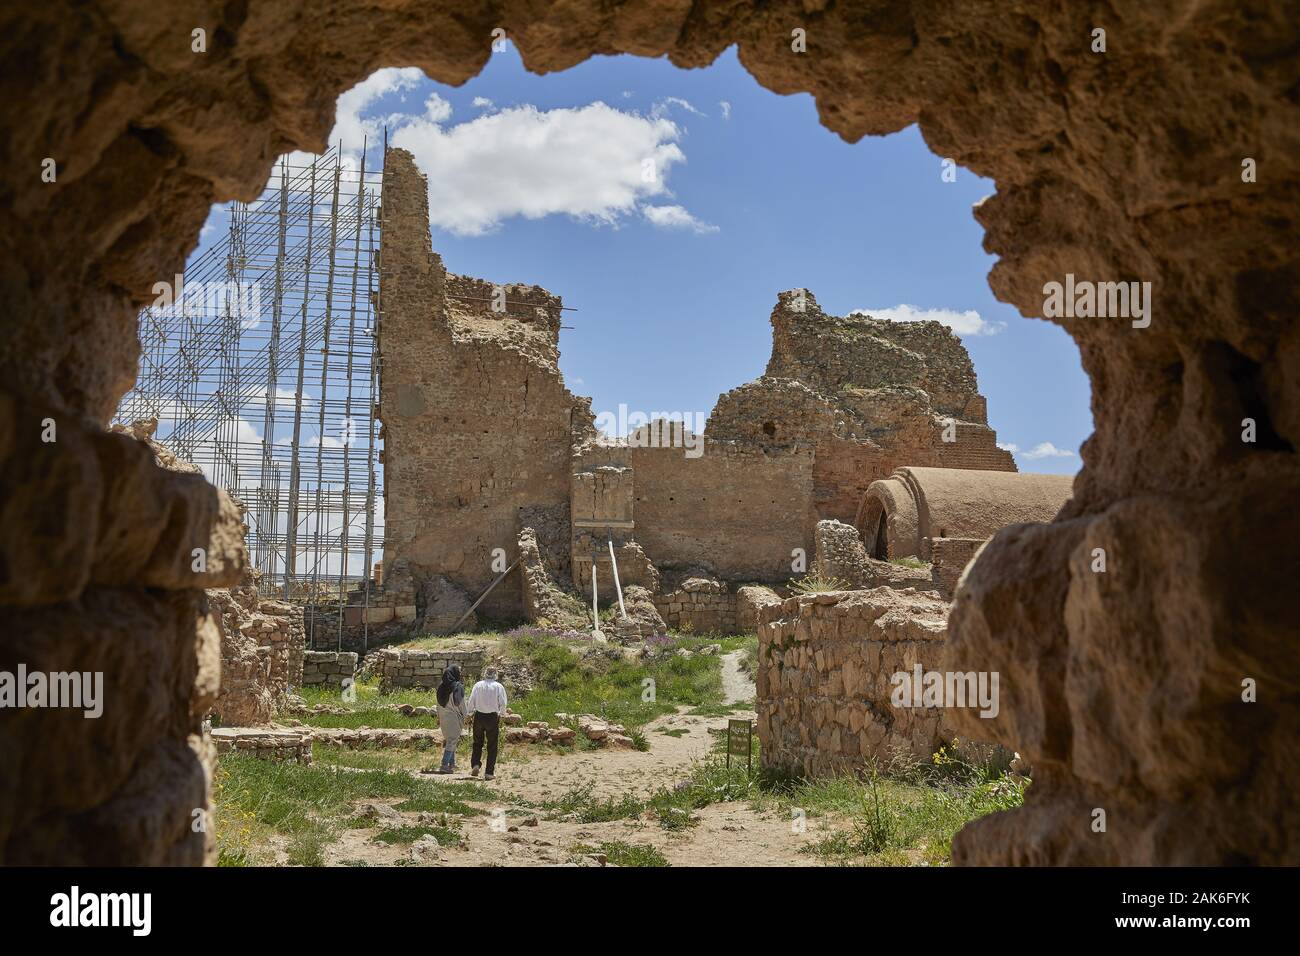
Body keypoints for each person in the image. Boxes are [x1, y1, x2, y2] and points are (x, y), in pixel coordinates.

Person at [465, 666, 508, 780]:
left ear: (485, 674)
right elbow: (502, 703)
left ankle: (475, 764)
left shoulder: (478, 685)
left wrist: (469, 715)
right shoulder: (498, 686)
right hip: (492, 717)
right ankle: (489, 772)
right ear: (495, 675)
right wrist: (502, 715)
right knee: (492, 745)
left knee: (477, 742)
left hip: (479, 716)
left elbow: (471, 701)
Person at [434, 665, 468, 774]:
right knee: (452, 740)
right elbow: (461, 704)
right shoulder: (457, 687)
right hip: (454, 717)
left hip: (444, 718)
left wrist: (438, 717)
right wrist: (467, 716)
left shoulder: (441, 688)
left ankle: (452, 763)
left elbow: (438, 705)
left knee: (451, 740)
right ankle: (444, 765)